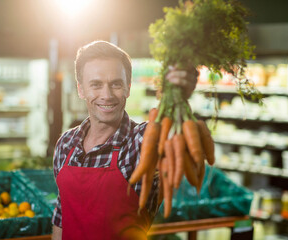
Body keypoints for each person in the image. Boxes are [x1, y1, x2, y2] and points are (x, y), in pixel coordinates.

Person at [52, 40, 197, 240]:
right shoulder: (65, 144)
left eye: (116, 84)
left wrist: (177, 94)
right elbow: (61, 215)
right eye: (96, 84)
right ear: (81, 89)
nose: (107, 95)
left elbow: (172, 135)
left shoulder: (139, 143)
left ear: (128, 88)